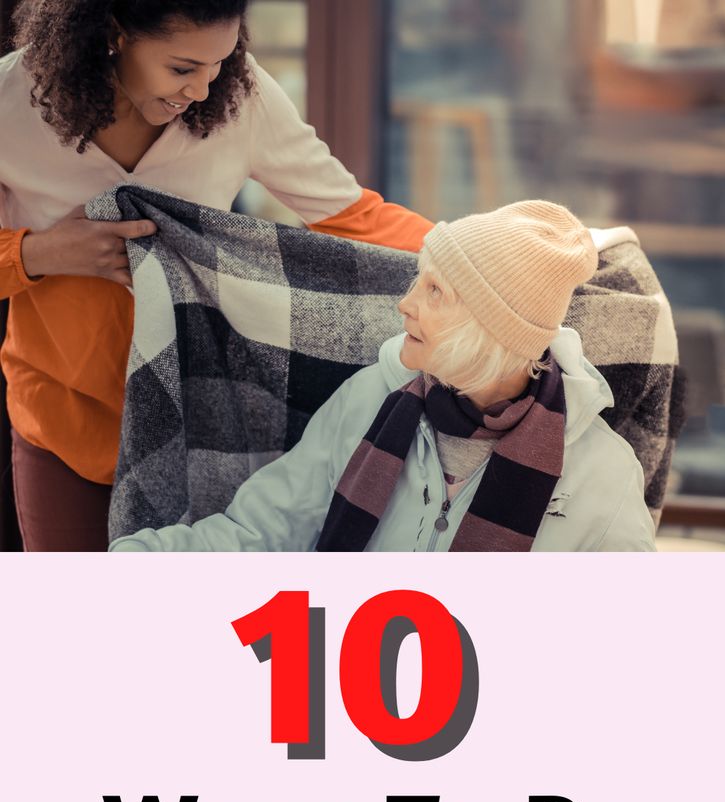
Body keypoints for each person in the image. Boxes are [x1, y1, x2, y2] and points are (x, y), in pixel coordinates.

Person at [0, 0, 432, 552]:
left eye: (219, 64)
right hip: (65, 421)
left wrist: (476, 256)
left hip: (206, 424)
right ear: (113, 34)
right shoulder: (13, 103)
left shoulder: (240, 94)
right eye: (182, 69)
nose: (203, 91)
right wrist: (38, 253)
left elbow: (356, 217)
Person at [109, 201, 657, 553]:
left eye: (435, 291)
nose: (405, 304)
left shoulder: (600, 475)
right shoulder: (371, 398)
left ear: (494, 329)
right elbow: (260, 537)